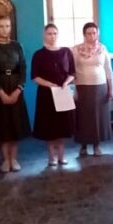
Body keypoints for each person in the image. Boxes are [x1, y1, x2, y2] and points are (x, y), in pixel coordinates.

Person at [0, 16, 31, 172]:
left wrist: (19, 89)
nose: (5, 29)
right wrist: (0, 92)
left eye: (7, 26)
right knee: (3, 125)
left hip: (15, 86)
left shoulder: (17, 46)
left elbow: (23, 68)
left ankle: (14, 158)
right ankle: (5, 159)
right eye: (1, 26)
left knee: (15, 124)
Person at [31, 24, 76, 166]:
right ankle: (51, 157)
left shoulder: (66, 52)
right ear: (44, 35)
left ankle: (62, 156)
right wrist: (50, 85)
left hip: (62, 92)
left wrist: (66, 83)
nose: (52, 36)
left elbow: (72, 72)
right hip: (46, 95)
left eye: (55, 33)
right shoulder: (38, 54)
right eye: (49, 33)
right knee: (49, 127)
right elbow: (35, 77)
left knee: (62, 126)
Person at [73, 22, 113, 157]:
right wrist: (74, 88)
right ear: (84, 35)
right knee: (83, 117)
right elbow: (72, 70)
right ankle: (83, 146)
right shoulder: (76, 49)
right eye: (89, 33)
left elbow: (108, 69)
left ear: (98, 34)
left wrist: (111, 89)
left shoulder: (103, 48)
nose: (92, 36)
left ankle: (97, 146)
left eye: (94, 33)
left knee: (98, 118)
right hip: (82, 87)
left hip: (100, 87)